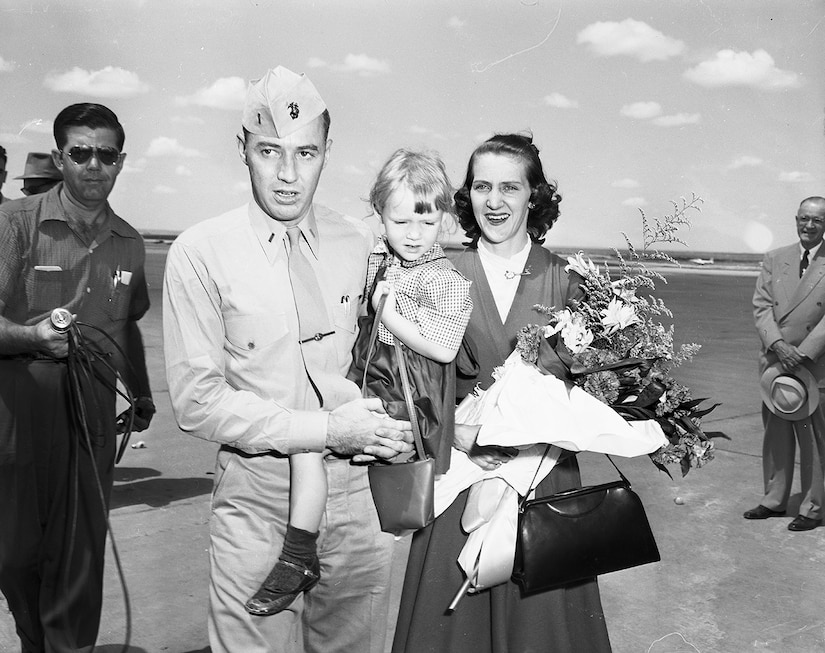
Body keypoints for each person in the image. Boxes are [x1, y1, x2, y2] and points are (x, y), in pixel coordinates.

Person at [162, 65, 413, 653]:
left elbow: (390, 358)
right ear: (243, 149)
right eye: (269, 150)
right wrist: (328, 429)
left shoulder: (363, 244)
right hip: (258, 496)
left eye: (306, 152)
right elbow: (198, 403)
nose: (288, 173)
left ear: (328, 152)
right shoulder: (200, 253)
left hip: (358, 498)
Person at [392, 133, 612, 652]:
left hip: (541, 478)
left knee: (543, 628)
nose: (494, 202)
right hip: (463, 472)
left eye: (509, 188)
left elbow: (597, 387)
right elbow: (405, 383)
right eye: (481, 186)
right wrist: (461, 433)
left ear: (534, 196)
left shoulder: (569, 280)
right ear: (465, 195)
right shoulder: (437, 274)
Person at [246, 148, 472, 617]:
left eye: (427, 224)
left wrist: (390, 313)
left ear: (444, 221)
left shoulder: (445, 279)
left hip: (411, 392)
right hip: (370, 372)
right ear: (380, 215)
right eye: (400, 221)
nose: (413, 235)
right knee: (310, 433)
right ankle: (300, 550)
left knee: (365, 463)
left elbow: (445, 348)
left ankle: (309, 554)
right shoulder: (378, 258)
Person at [0, 103, 155, 652]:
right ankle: (34, 638)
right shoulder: (15, 223)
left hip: (90, 412)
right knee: (15, 553)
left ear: (121, 161)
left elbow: (129, 325)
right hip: (18, 407)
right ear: (61, 156)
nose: (94, 165)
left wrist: (140, 391)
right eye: (80, 153)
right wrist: (30, 338)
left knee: (80, 553)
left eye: (106, 155)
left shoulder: (131, 242)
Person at [747, 196, 825, 531]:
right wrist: (779, 345)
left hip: (815, 363)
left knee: (815, 440)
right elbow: (761, 306)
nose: (809, 225)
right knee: (776, 433)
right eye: (804, 218)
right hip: (776, 362)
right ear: (796, 220)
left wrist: (804, 351)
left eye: (817, 220)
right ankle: (774, 499)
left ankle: (812, 506)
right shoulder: (775, 257)